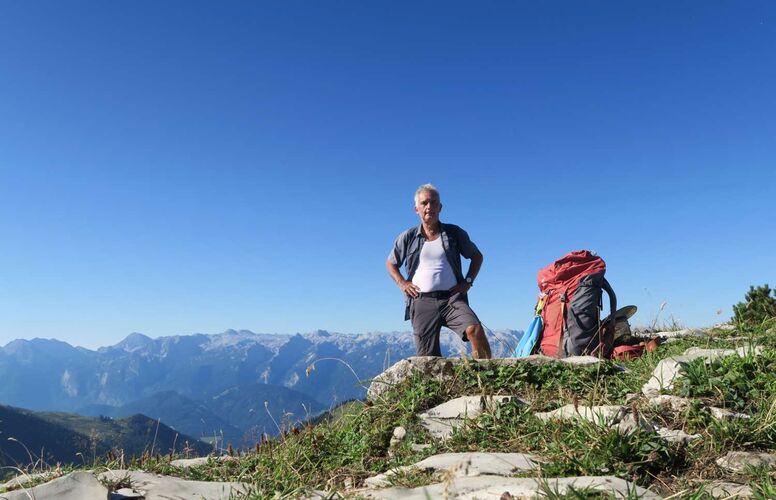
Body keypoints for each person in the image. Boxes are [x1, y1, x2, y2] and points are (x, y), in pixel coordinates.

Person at [386, 184, 492, 359]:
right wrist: (402, 283)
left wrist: (468, 281)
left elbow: (477, 256)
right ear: (416, 209)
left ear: (440, 207)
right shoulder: (408, 237)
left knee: (474, 329)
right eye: (424, 203)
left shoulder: (454, 233)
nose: (429, 207)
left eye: (433, 203)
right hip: (421, 300)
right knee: (428, 359)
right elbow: (391, 263)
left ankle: (489, 378)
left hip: (452, 298)